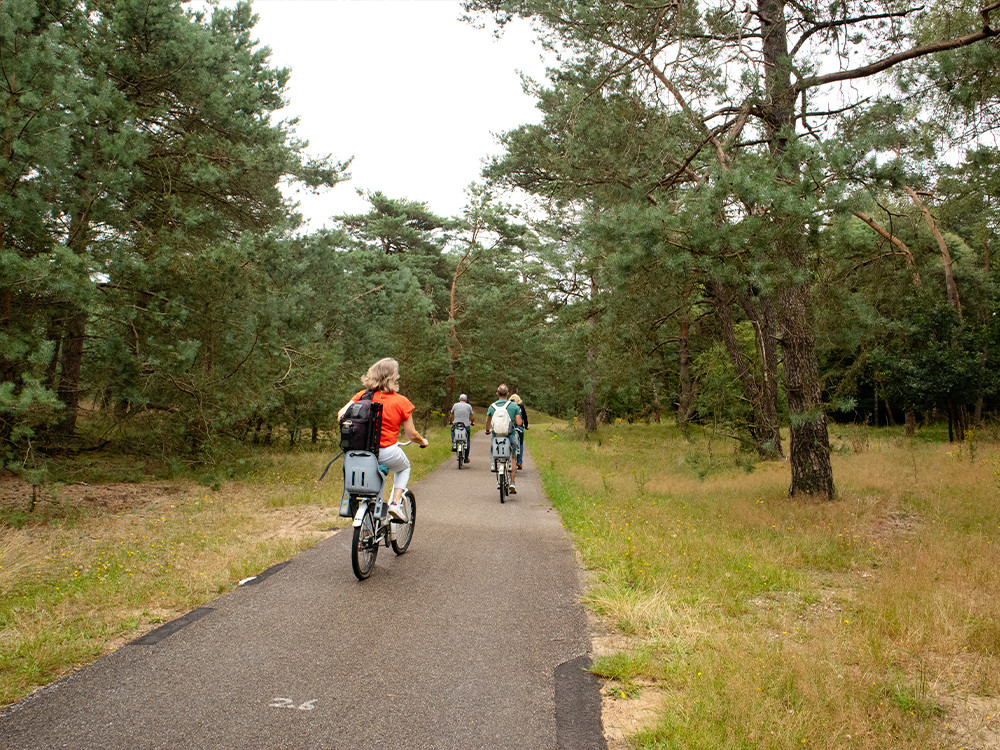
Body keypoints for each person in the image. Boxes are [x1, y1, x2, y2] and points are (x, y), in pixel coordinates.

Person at [337, 358, 428, 520]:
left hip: (357, 452)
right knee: (404, 468)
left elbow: (341, 416)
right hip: (386, 452)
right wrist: (422, 441)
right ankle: (394, 503)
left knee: (369, 485)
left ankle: (365, 528)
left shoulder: (362, 395)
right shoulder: (401, 402)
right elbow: (411, 434)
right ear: (393, 377)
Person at [485, 383, 523, 493]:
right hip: (509, 436)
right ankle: (512, 482)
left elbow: (488, 421)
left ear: (497, 394)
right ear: (507, 394)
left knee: (494, 448)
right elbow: (519, 422)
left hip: (496, 436)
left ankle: (494, 462)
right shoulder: (514, 406)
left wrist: (487, 430)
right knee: (513, 457)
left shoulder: (492, 407)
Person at [449, 393, 474, 463]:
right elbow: (472, 417)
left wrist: (451, 422)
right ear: (466, 400)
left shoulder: (455, 405)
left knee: (452, 431)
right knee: (467, 440)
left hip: (456, 425)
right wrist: (472, 423)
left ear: (459, 399)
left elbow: (451, 415)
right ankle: (466, 457)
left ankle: (454, 444)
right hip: (465, 426)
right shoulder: (469, 406)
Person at [510, 393, 528, 470]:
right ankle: (519, 462)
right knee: (520, 443)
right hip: (519, 428)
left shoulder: (509, 407)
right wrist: (526, 426)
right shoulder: (521, 407)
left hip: (510, 428)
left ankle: (510, 460)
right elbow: (525, 417)